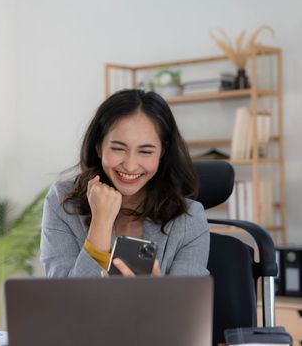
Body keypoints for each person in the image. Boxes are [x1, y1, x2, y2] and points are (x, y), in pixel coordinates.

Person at [40, 89, 209, 277]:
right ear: (98, 146)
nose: (130, 166)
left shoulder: (189, 220)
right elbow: (64, 301)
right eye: (118, 149)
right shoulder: (62, 201)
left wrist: (156, 296)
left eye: (145, 152)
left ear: (162, 151)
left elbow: (187, 304)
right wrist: (101, 223)